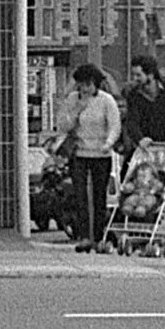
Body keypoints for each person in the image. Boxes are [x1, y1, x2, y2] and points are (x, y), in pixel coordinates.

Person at [60, 62, 121, 250]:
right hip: (80, 152)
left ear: (96, 84)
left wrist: (108, 143)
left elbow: (114, 125)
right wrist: (78, 109)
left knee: (99, 195)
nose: (85, 89)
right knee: (80, 195)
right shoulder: (72, 100)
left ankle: (99, 235)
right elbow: (64, 125)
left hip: (101, 154)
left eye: (88, 85)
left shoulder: (106, 101)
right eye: (81, 85)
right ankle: (84, 235)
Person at [121, 54, 165, 159]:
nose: (135, 79)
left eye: (139, 75)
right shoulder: (133, 95)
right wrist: (140, 139)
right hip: (146, 150)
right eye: (134, 75)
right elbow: (132, 121)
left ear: (151, 75)